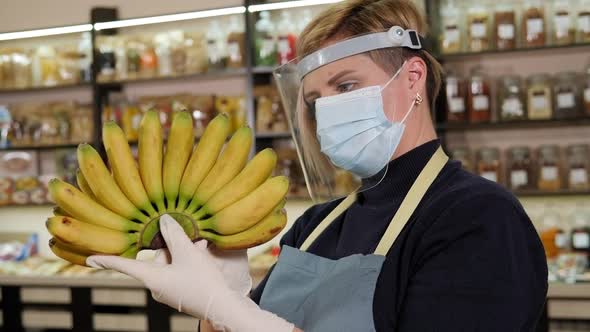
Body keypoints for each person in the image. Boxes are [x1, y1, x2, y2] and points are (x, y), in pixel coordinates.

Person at [86, 0, 548, 331]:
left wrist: (235, 313)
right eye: (313, 99)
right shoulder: (315, 225)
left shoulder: (478, 217)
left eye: (345, 86)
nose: (326, 110)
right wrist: (221, 304)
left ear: (412, 78)